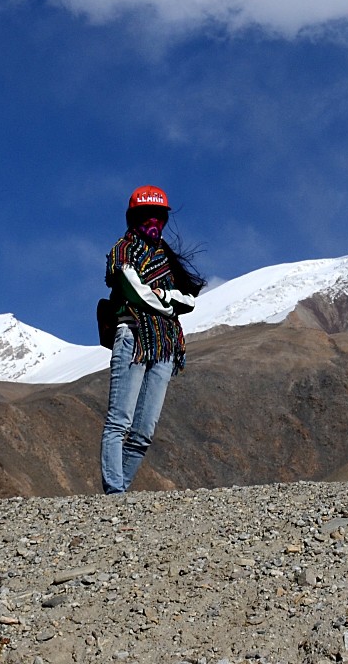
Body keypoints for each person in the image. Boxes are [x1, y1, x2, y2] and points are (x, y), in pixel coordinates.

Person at [99, 184, 204, 493]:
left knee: (144, 431)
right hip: (133, 337)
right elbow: (136, 292)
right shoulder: (123, 251)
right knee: (120, 422)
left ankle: (120, 492)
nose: (153, 222)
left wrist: (166, 296)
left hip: (165, 345)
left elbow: (190, 299)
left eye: (158, 216)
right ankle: (114, 493)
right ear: (135, 218)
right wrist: (169, 303)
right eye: (147, 215)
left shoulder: (167, 259)